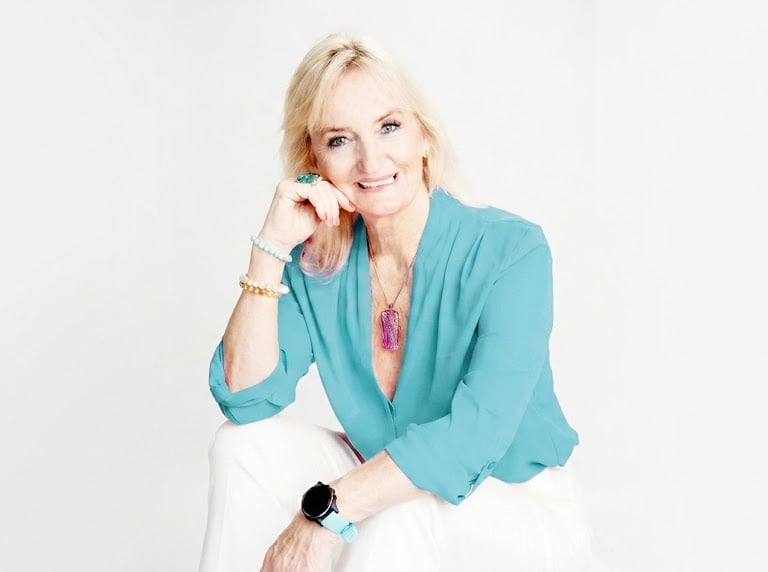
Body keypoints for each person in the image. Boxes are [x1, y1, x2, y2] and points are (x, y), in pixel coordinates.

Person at [199, 32, 591, 572]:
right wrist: (271, 247)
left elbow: (474, 436)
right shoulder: (321, 262)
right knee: (241, 447)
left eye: (388, 127)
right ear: (315, 161)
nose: (371, 160)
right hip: (385, 485)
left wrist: (325, 512)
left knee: (399, 510)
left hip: (518, 508)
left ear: (423, 135)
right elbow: (245, 398)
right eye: (340, 140)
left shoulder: (510, 250)